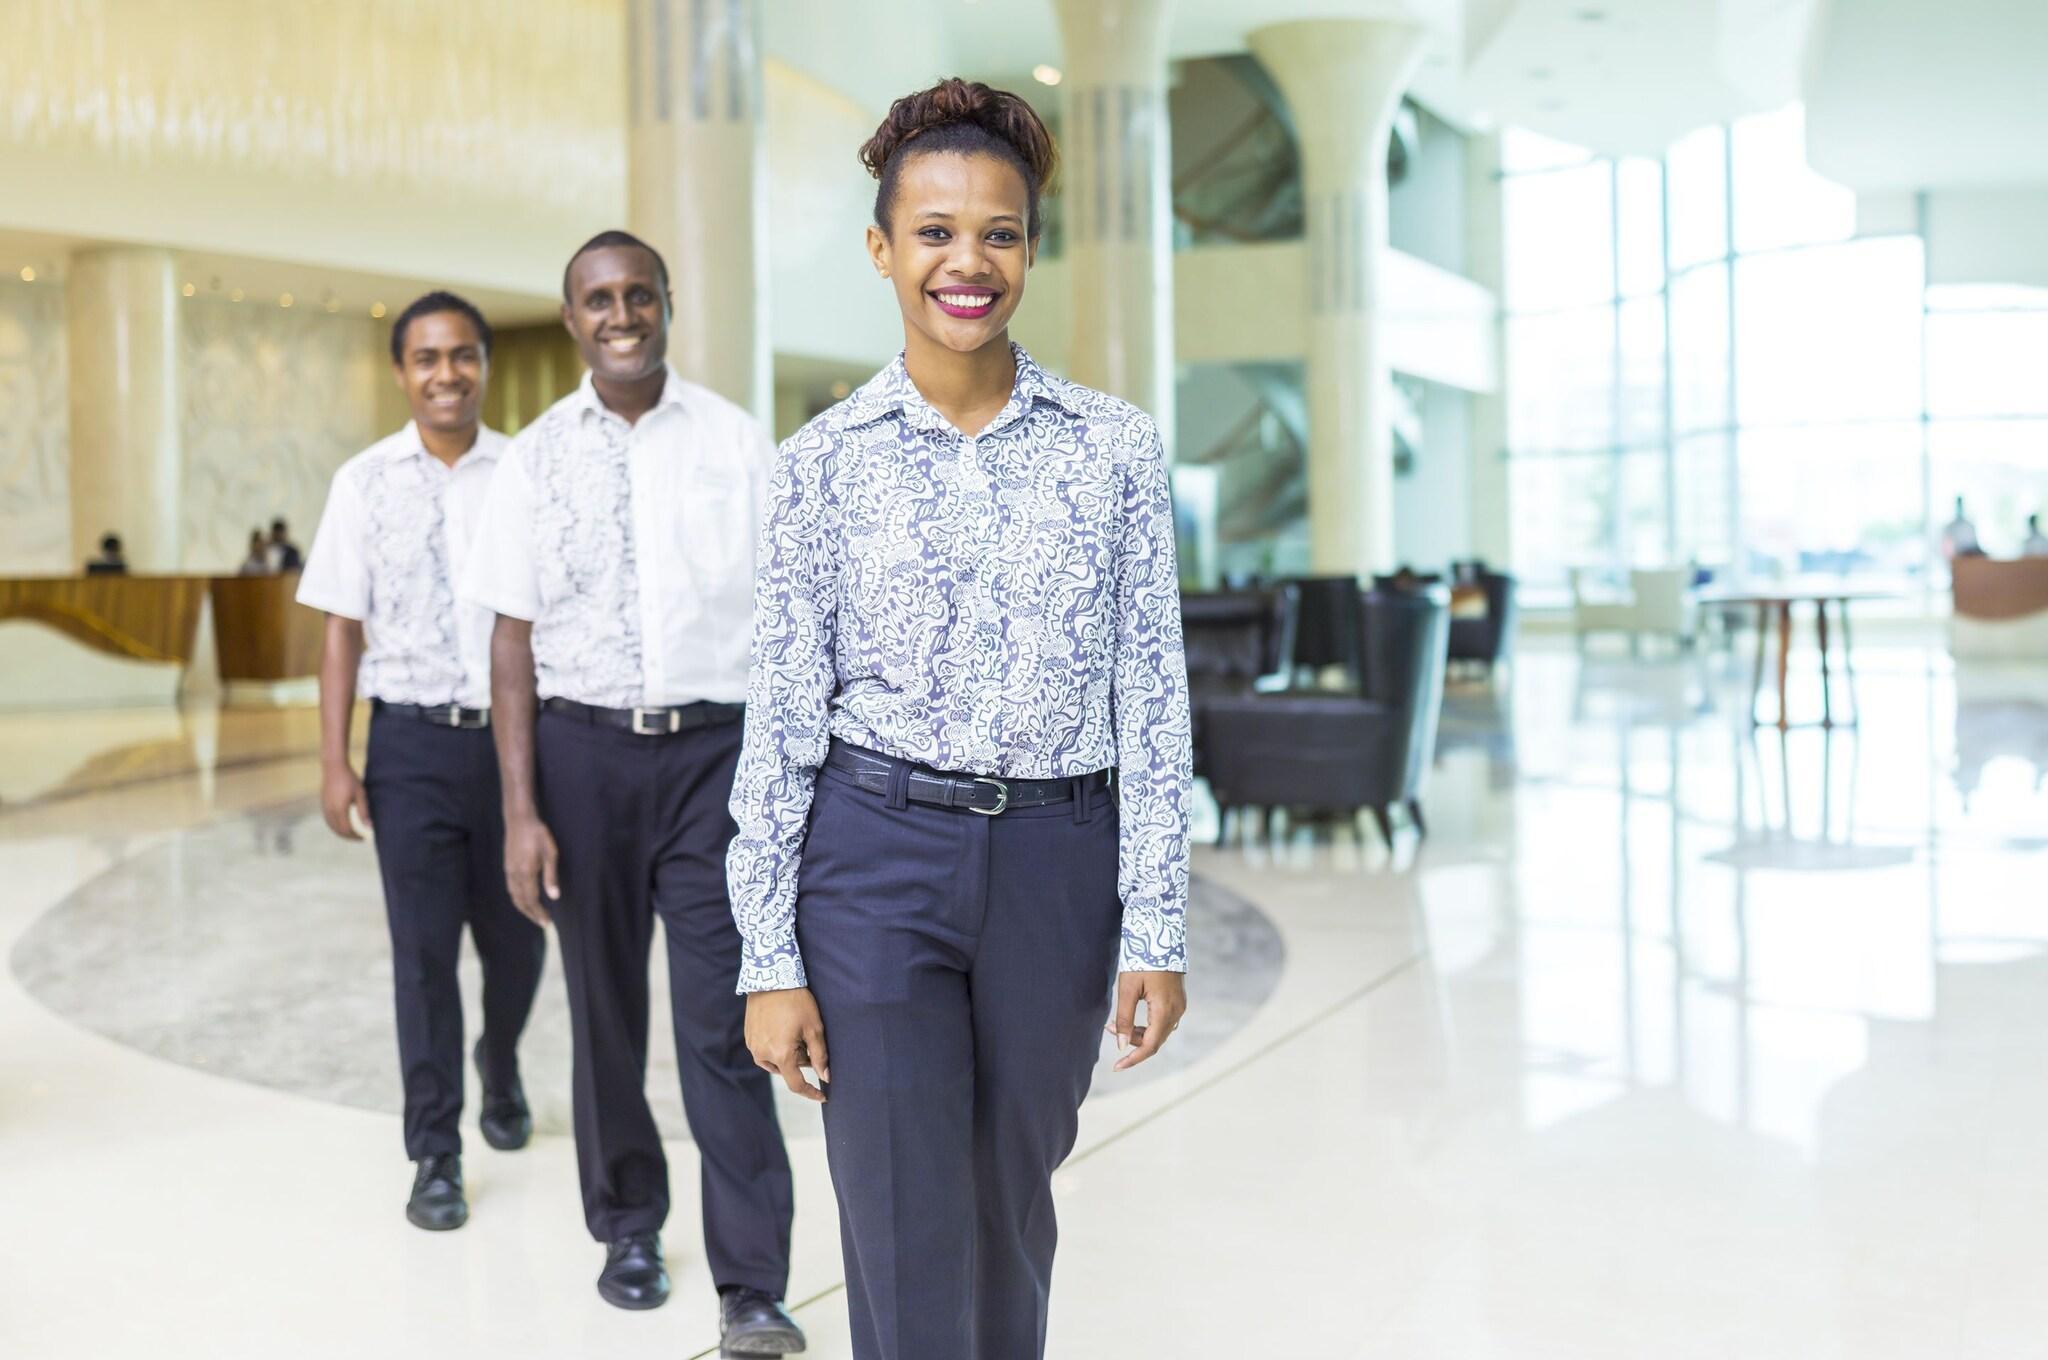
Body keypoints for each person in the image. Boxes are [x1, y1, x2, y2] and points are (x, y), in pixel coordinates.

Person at [727, 79, 1192, 1360]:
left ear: (1029, 249)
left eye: (996, 231)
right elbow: (781, 719)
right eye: (932, 232)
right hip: (872, 860)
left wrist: (1154, 920)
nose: (965, 261)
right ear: (881, 249)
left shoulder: (1113, 449)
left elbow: (1153, 700)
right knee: (896, 1212)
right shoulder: (821, 463)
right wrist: (767, 952)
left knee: (1008, 1206)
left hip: (1056, 865)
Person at [460, 230, 802, 1350]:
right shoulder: (533, 460)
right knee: (604, 1015)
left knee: (724, 1018)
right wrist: (520, 811)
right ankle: (629, 1227)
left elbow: (790, 630)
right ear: (572, 319)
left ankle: (752, 1282)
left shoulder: (737, 445)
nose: (620, 314)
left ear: (666, 304)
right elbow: (509, 641)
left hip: (714, 760)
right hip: (581, 759)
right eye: (597, 299)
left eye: (637, 295)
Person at [296, 291, 547, 1233]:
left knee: (520, 940)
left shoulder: (526, 471)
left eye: (463, 355)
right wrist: (336, 760)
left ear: (482, 364)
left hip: (516, 746)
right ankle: (435, 1151)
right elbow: (340, 631)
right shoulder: (363, 482)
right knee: (423, 956)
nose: (447, 372)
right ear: (403, 372)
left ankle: (502, 1060)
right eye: (427, 358)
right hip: (407, 746)